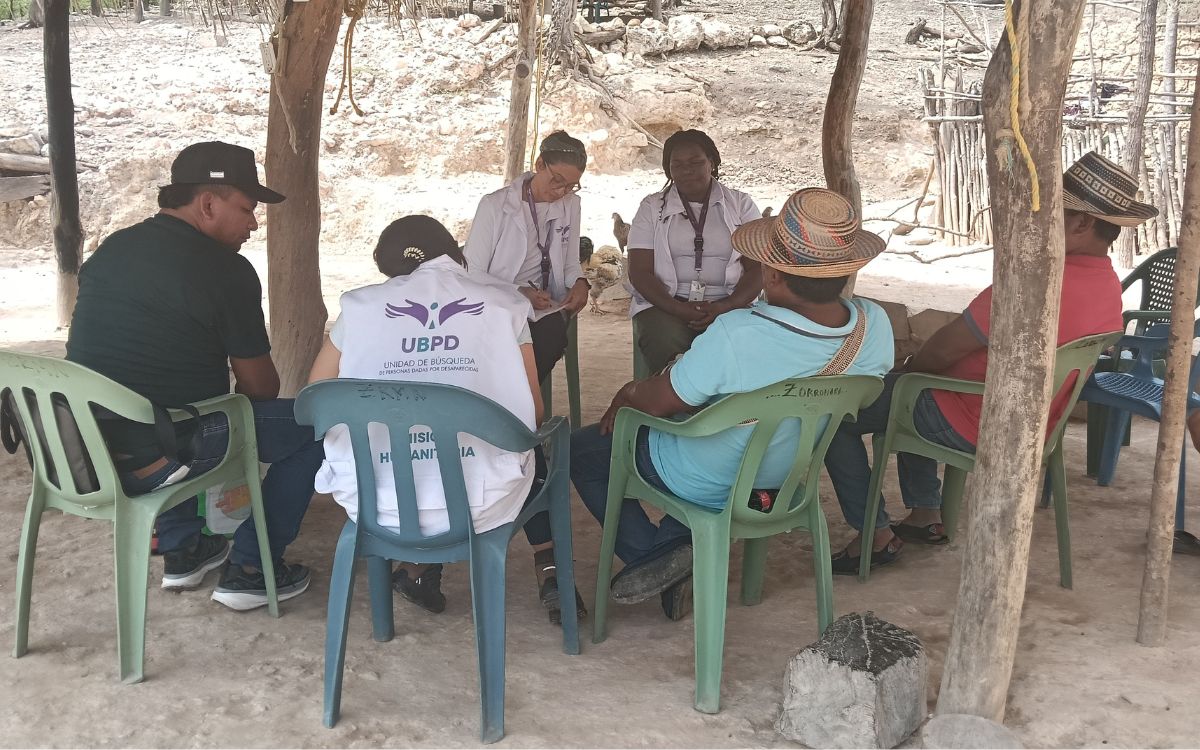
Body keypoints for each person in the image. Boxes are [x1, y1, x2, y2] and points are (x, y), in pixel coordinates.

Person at [823, 151, 1154, 574]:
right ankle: (925, 514)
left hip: (975, 416)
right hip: (1034, 425)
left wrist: (910, 368)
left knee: (840, 413)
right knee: (910, 390)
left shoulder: (1035, 282)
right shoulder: (1108, 285)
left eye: (1053, 209)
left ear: (1082, 223)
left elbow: (945, 349)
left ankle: (874, 535)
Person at [571, 188, 893, 620]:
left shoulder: (739, 332)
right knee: (710, 426)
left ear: (772, 276)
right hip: (785, 477)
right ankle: (676, 553)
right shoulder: (874, 326)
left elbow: (660, 402)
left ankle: (654, 555)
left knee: (582, 452)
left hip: (706, 473)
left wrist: (628, 393)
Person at [65, 141, 322, 611]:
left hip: (81, 448)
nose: (253, 222)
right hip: (159, 452)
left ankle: (183, 549)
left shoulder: (111, 249)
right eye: (247, 209)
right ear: (208, 203)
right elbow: (263, 389)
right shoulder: (226, 271)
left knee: (177, 403)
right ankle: (250, 568)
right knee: (314, 428)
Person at [308, 215, 584, 623]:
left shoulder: (360, 306)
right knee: (531, 443)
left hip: (374, 503)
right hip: (483, 501)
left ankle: (418, 568)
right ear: (454, 253)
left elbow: (318, 398)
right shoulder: (503, 305)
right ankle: (550, 568)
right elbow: (534, 411)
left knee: (417, 453)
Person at [625, 129, 763, 375]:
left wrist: (727, 305)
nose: (686, 170)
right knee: (663, 338)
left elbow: (758, 268)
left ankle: (715, 406)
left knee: (743, 340)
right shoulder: (651, 207)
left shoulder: (741, 205)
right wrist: (678, 309)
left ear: (712, 162)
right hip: (666, 305)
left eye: (696, 162)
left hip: (729, 304)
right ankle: (684, 405)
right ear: (668, 170)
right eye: (677, 164)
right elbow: (639, 271)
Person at [463, 130, 591, 383]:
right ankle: (512, 402)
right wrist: (519, 292)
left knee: (549, 335)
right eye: (557, 180)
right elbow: (472, 273)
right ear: (540, 164)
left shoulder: (571, 204)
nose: (561, 191)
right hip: (496, 302)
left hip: (545, 306)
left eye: (571, 185)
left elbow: (570, 263)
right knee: (497, 344)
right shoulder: (494, 206)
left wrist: (579, 282)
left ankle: (523, 403)